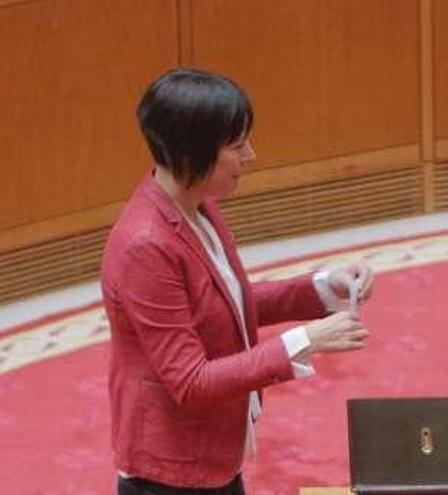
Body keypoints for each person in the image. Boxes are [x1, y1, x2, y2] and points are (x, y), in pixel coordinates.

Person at [101, 67, 373, 495]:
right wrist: (304, 340)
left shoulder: (196, 206)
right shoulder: (144, 246)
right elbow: (190, 382)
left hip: (213, 453)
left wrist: (321, 288)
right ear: (191, 154)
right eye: (236, 145)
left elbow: (224, 302)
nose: (251, 155)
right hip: (170, 473)